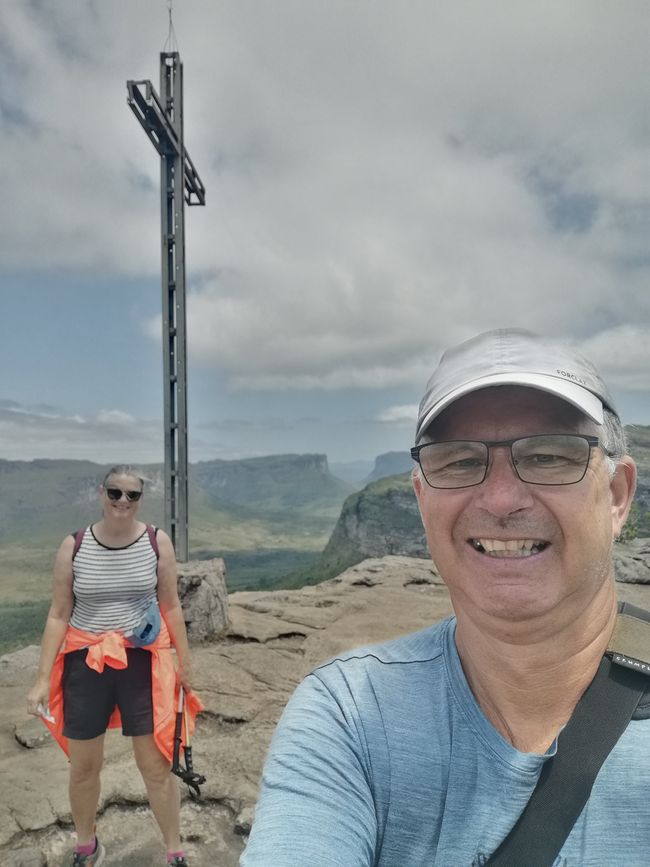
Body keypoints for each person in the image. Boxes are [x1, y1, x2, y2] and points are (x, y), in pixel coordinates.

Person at [240, 328, 649, 866]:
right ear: (421, 499)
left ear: (617, 496)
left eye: (550, 456)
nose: (501, 499)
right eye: (457, 461)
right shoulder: (350, 716)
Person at [27, 465, 201, 867]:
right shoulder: (75, 545)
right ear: (100, 493)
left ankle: (174, 850)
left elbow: (171, 605)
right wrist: (41, 679)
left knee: (154, 764)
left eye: (132, 495)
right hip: (86, 663)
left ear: (142, 499)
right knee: (84, 766)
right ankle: (87, 845)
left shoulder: (157, 542)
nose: (122, 501)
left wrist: (185, 665)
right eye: (115, 492)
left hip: (141, 661)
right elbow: (58, 613)